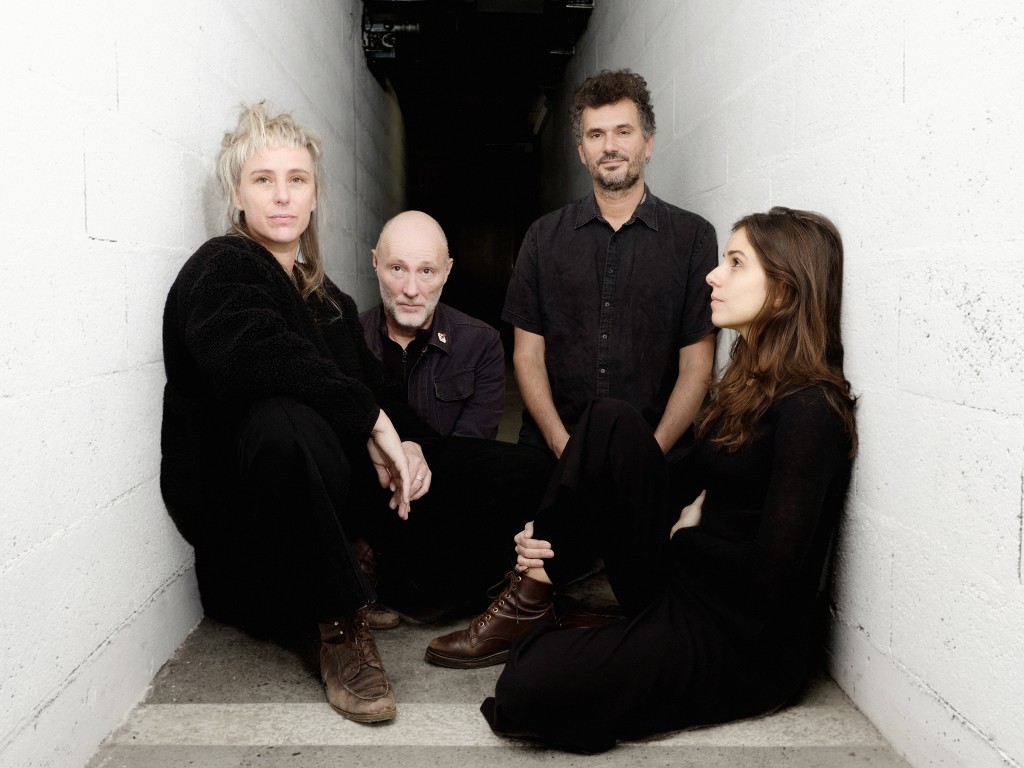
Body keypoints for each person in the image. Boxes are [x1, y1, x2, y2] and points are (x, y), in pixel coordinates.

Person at [159, 103, 550, 724]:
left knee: (523, 472)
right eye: (263, 179)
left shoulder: (326, 299)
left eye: (297, 179)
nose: (282, 195)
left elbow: (376, 392)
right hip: (254, 534)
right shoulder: (221, 265)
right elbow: (257, 353)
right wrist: (373, 422)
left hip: (341, 509)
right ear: (237, 194)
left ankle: (445, 582)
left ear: (314, 196)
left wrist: (411, 447)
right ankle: (340, 626)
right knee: (283, 419)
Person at [427, 207, 857, 754]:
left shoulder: (811, 411)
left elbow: (771, 578)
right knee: (610, 420)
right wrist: (569, 515)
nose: (713, 275)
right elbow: (677, 478)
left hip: (739, 639)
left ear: (783, 293)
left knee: (524, 686)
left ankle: (574, 627)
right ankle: (535, 584)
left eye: (735, 263)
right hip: (686, 584)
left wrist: (683, 536)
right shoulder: (751, 384)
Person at [503, 69, 717, 497]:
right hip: (552, 455)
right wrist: (563, 447)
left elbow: (697, 366)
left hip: (659, 459)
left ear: (648, 142)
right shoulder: (542, 238)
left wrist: (647, 457)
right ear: (582, 151)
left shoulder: (693, 238)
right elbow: (527, 355)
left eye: (623, 131)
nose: (610, 146)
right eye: (596, 135)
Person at [360, 211, 505, 440]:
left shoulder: (482, 344)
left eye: (426, 271)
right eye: (397, 268)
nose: (411, 290)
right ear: (376, 263)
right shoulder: (346, 337)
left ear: (447, 271)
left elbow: (472, 448)